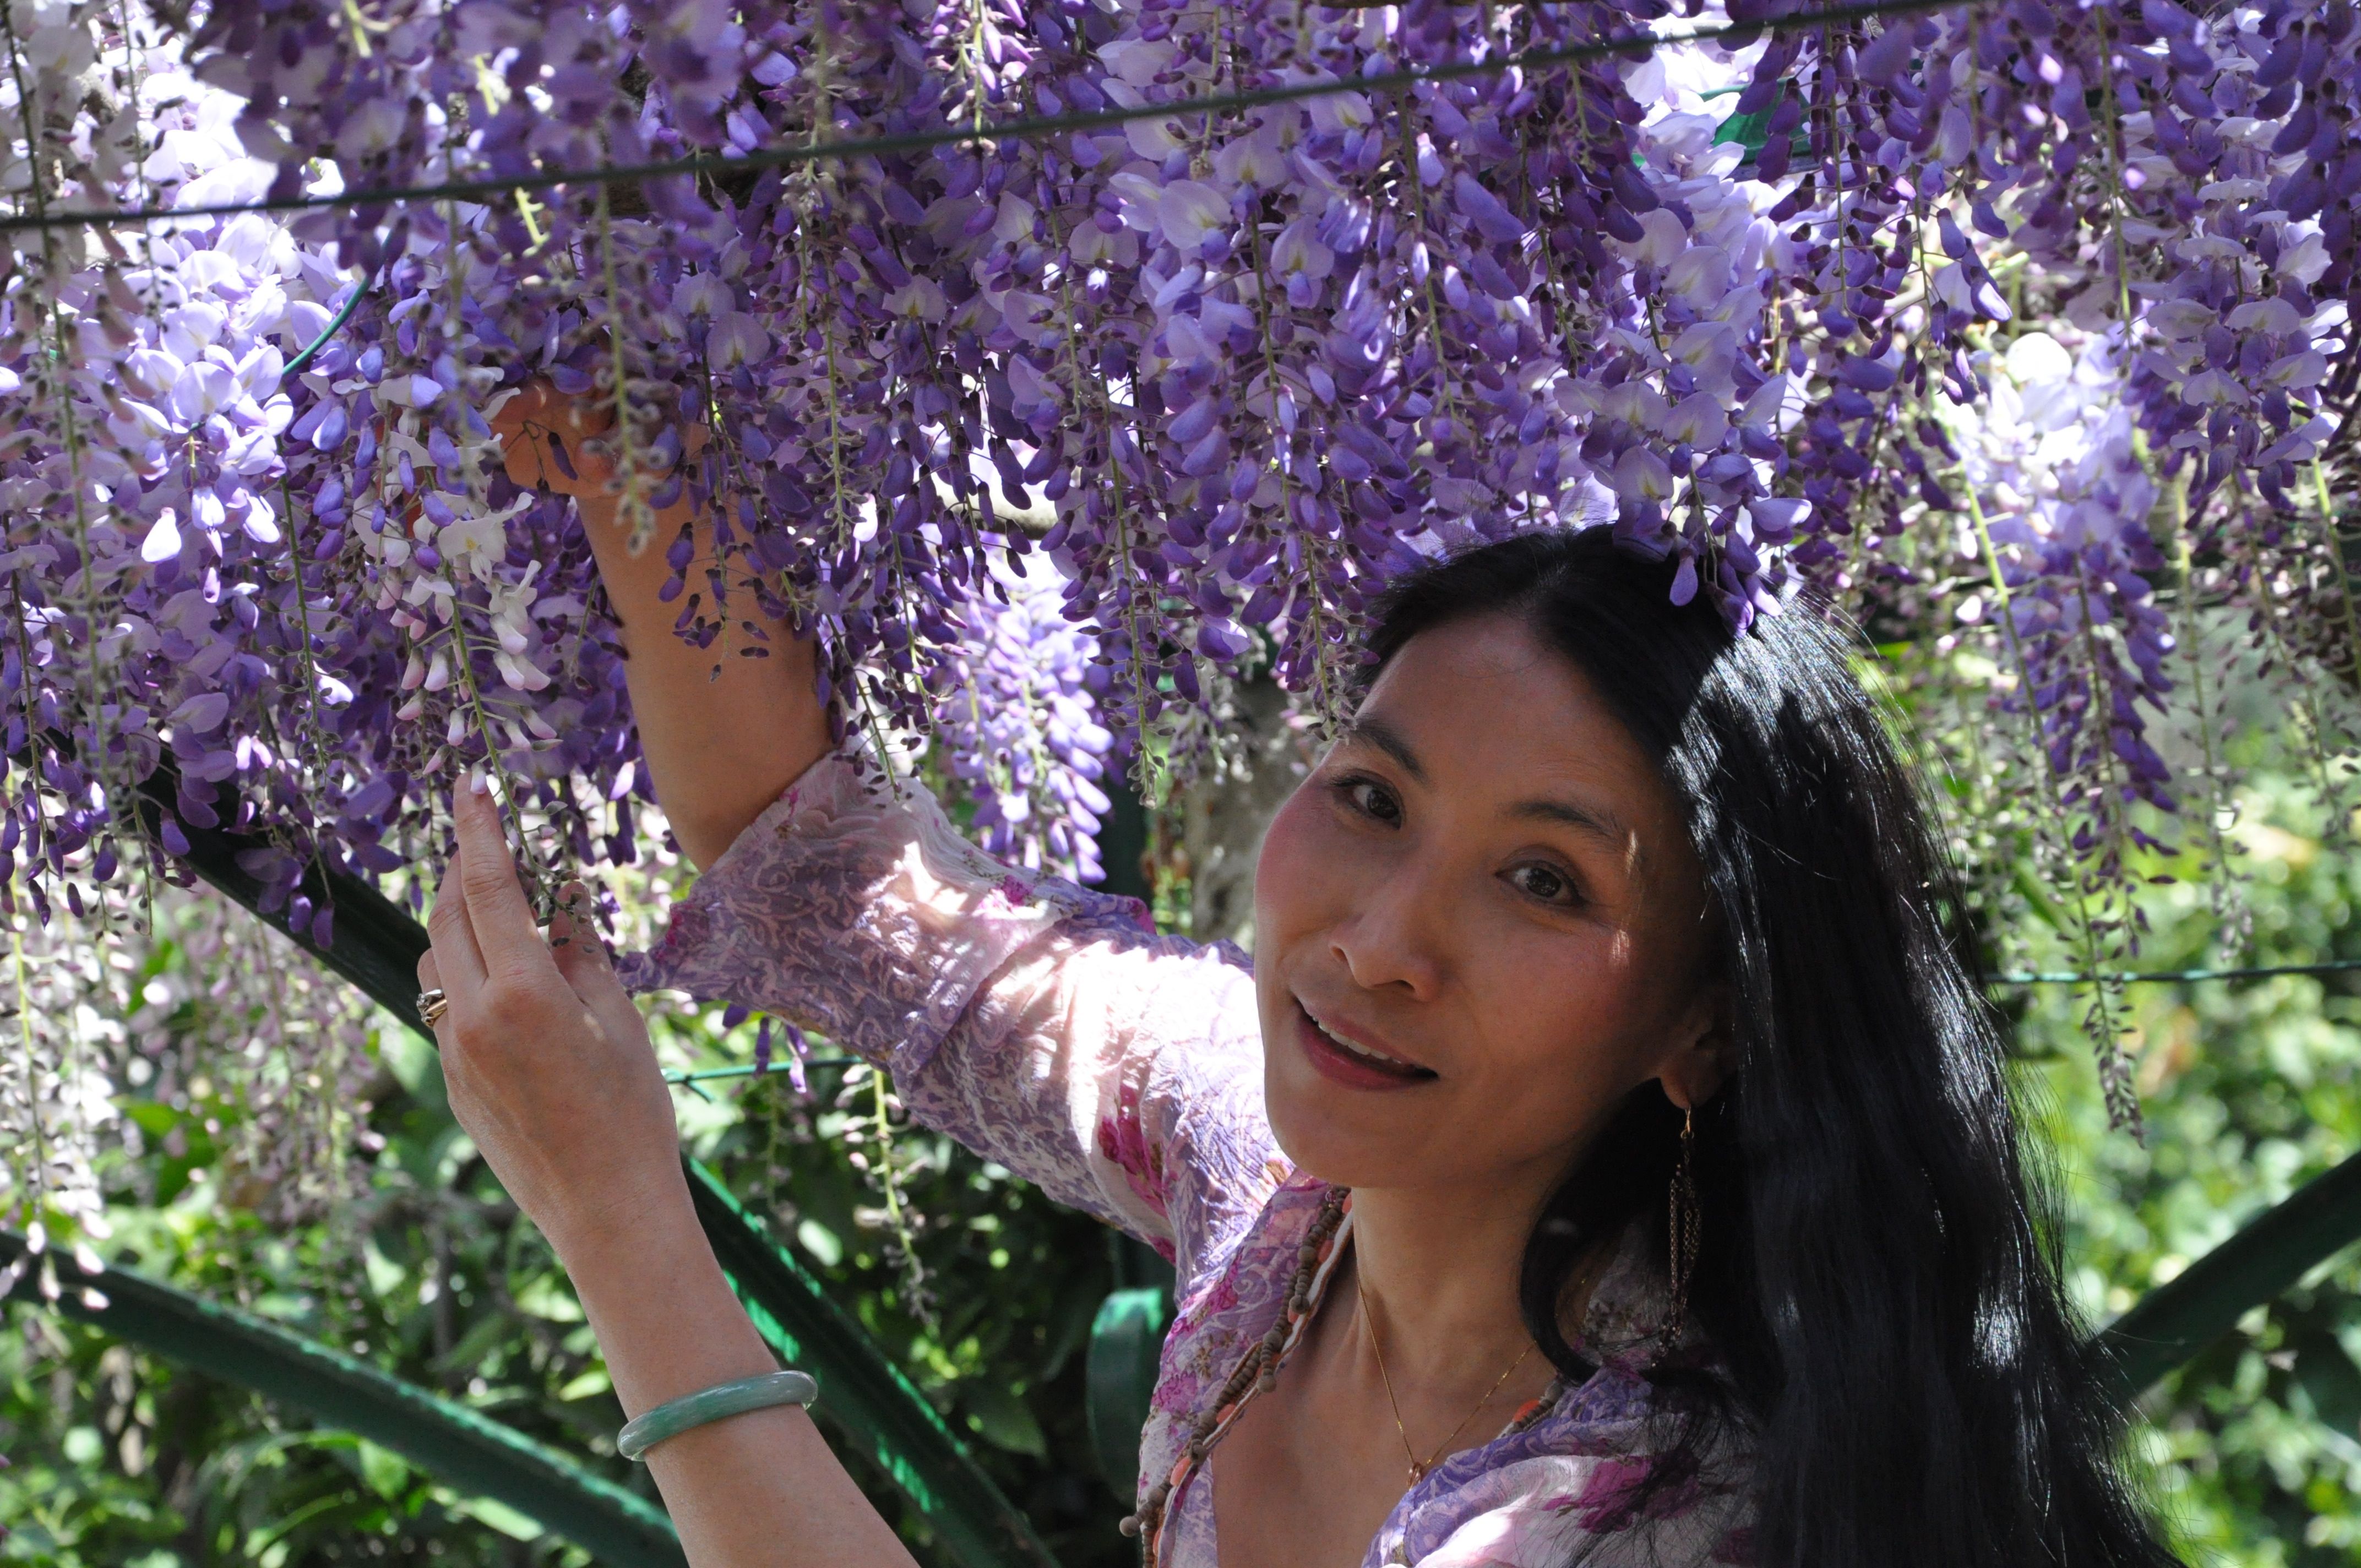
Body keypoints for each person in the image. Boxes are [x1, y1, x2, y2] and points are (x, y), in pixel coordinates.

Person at [412, 383, 2185, 1568]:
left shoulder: (1655, 1510)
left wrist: (620, 1221)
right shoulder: (1283, 1192)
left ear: (1706, 1023)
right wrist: (636, 440)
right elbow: (833, 879)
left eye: (1542, 880)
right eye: (1369, 796)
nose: (1378, 941)